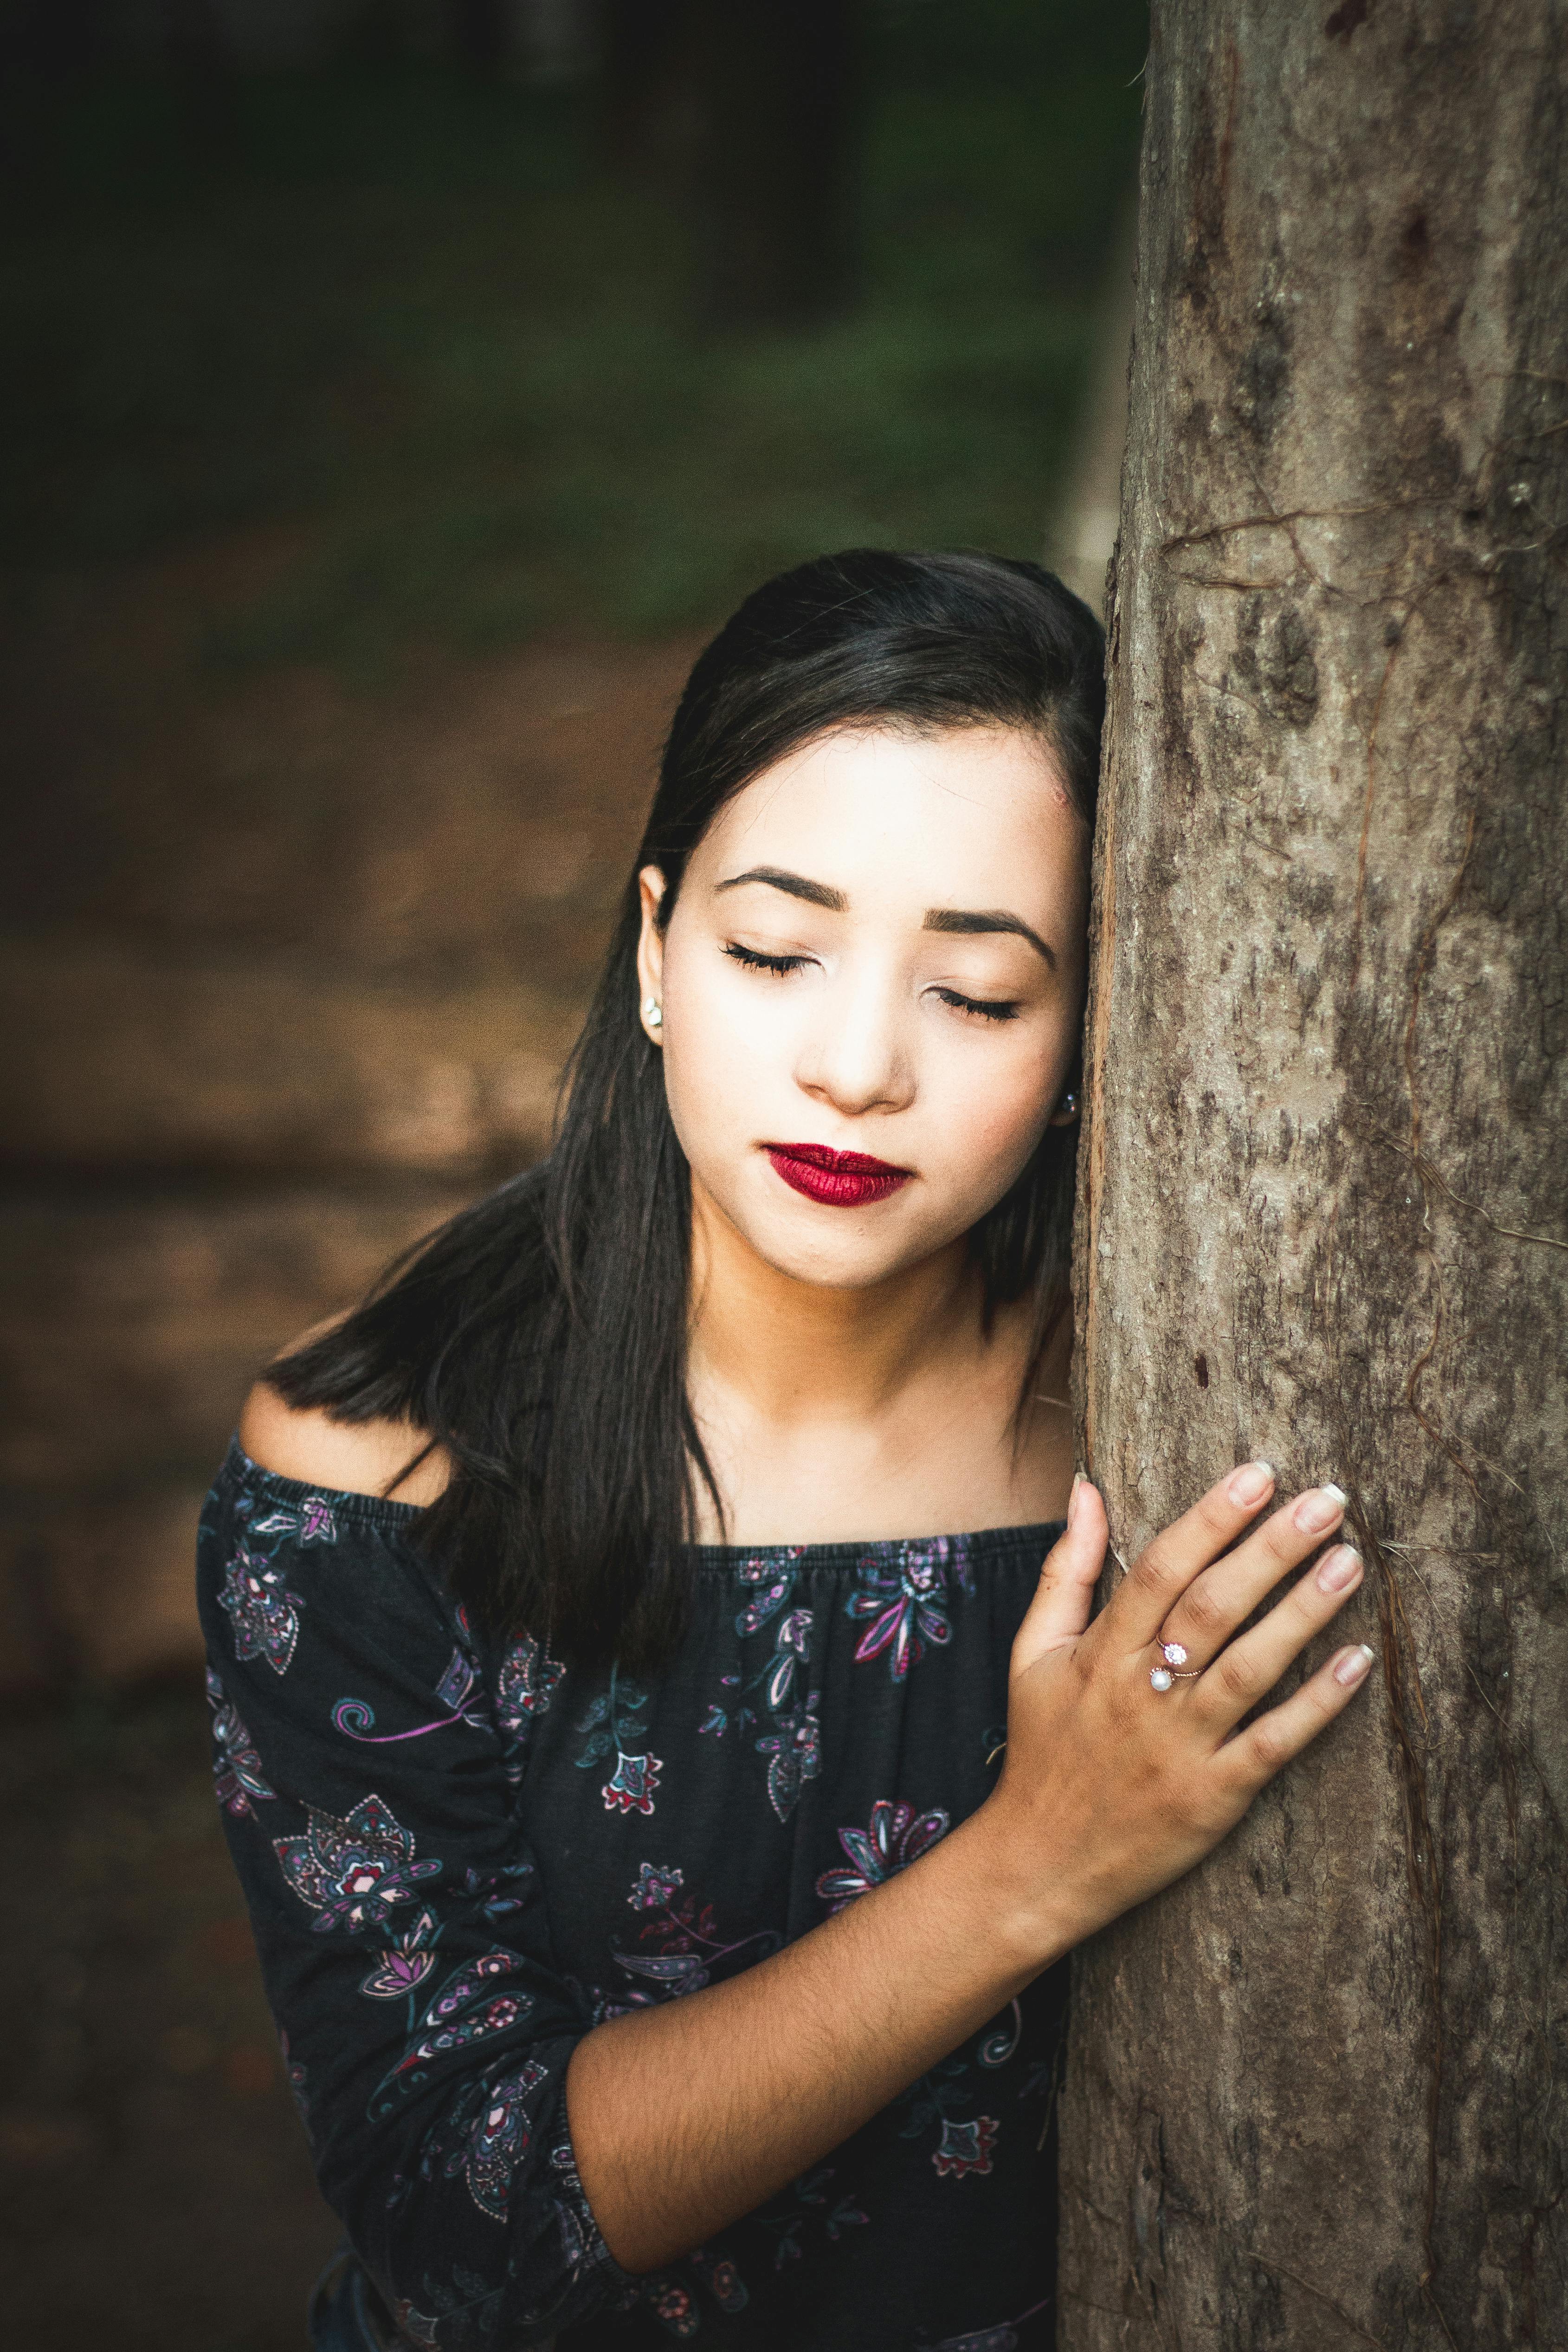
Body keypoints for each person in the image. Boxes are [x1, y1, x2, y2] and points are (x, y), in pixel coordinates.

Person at [198, 549, 1373, 2352]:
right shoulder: (375, 1472)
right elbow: (464, 2206)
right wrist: (1029, 1863)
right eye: (772, 949)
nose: (852, 1067)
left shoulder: (1168, 1434)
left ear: (1087, 1040)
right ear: (657, 946)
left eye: (974, 992)